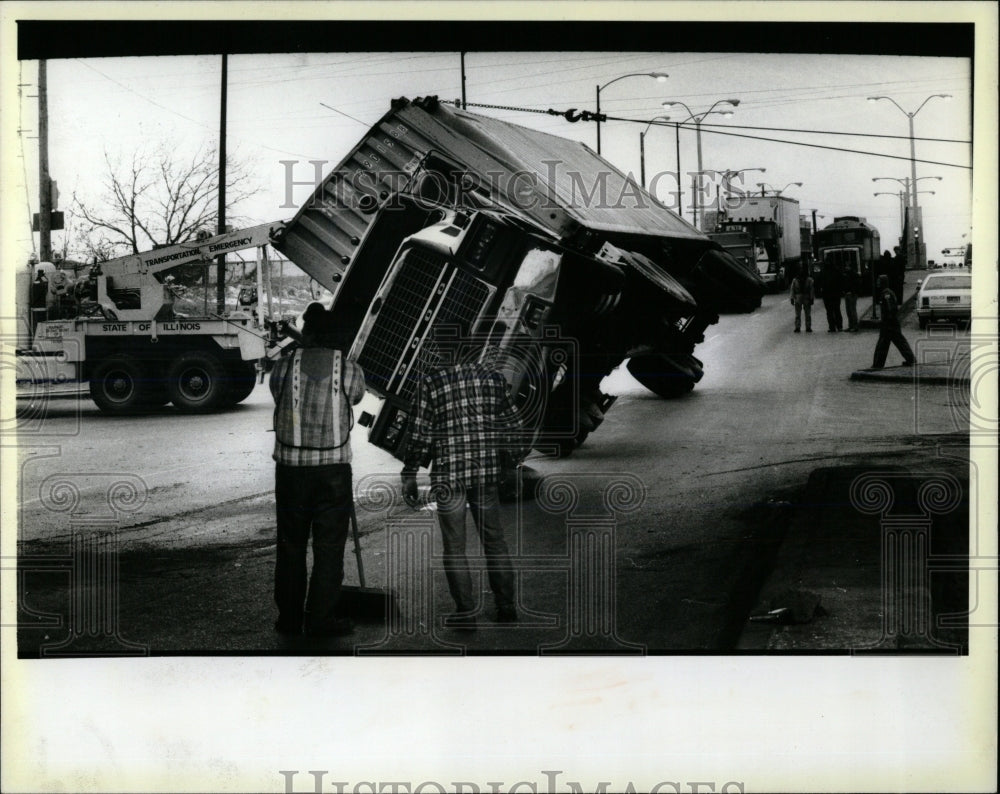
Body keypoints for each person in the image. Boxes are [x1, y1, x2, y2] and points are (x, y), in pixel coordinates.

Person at [400, 339, 526, 630]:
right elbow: (515, 427)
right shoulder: (493, 379)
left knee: (454, 546)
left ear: (444, 353)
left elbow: (420, 434)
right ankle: (506, 608)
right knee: (494, 541)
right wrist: (511, 461)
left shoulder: (430, 383)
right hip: (486, 472)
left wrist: (409, 472)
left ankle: (466, 613)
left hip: (449, 475)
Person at [269, 303, 366, 637]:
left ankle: (290, 618)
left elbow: (276, 395)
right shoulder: (349, 368)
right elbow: (355, 397)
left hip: (291, 470)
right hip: (333, 472)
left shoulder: (283, 367)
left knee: (291, 545)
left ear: (307, 333)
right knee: (329, 548)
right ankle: (320, 618)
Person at [871, 274, 916, 369]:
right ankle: (911, 359)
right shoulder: (886, 292)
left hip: (889, 323)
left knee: (884, 344)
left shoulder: (886, 294)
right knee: (897, 342)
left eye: (879, 281)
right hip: (891, 323)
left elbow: (890, 308)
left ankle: (878, 364)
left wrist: (887, 321)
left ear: (883, 283)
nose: (877, 283)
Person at [789, 267, 814, 333]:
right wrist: (811, 298)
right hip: (806, 297)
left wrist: (792, 298)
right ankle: (808, 327)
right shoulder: (809, 280)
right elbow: (811, 289)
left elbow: (792, 289)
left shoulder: (795, 280)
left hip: (798, 297)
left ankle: (798, 327)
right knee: (807, 313)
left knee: (798, 314)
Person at [821, 264, 843, 332]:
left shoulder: (823, 272)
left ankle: (832, 326)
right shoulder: (836, 271)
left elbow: (819, 282)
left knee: (829, 311)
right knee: (837, 310)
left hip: (827, 295)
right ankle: (839, 326)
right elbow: (841, 281)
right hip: (836, 294)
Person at [842, 265, 860, 332]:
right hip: (848, 293)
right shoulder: (847, 274)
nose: (846, 267)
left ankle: (854, 326)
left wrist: (852, 291)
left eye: (847, 266)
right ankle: (851, 325)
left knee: (852, 310)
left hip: (852, 294)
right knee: (849, 311)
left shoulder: (853, 275)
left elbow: (856, 284)